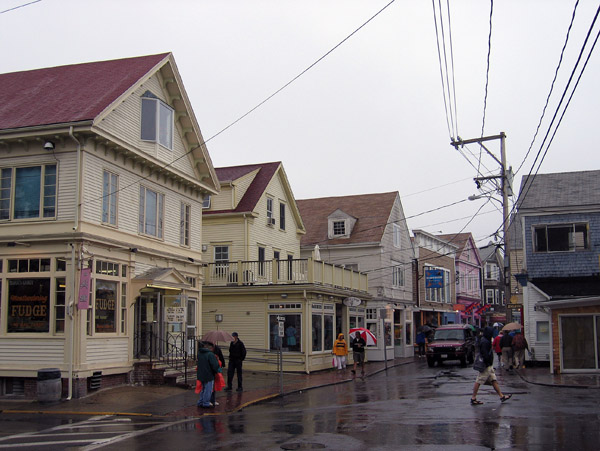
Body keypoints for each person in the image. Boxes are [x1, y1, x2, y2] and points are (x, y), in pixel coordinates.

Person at [471, 326, 512, 405]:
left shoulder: (484, 340)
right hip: (486, 365)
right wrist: (487, 362)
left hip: (489, 365)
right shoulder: (485, 342)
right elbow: (485, 353)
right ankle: (473, 398)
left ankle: (501, 396)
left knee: (493, 380)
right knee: (479, 380)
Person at [196, 341, 220, 408]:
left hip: (201, 374)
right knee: (208, 389)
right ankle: (206, 402)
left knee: (203, 389)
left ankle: (201, 401)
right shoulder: (210, 354)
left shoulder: (199, 353)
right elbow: (215, 365)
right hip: (209, 374)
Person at [204, 341, 225, 406]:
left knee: (213, 386)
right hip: (209, 371)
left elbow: (220, 357)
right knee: (208, 387)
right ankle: (207, 401)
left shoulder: (217, 349)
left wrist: (221, 364)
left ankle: (212, 400)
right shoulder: (206, 352)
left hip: (214, 370)